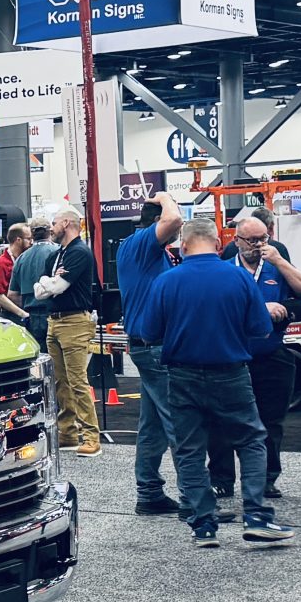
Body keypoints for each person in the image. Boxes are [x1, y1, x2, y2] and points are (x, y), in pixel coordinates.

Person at [131, 223, 295, 548]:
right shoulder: (239, 278)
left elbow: (148, 333)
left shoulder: (166, 281)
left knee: (190, 449)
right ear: (219, 244)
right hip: (232, 373)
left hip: (182, 376)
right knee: (251, 441)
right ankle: (256, 516)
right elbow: (261, 328)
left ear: (183, 245)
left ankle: (203, 526)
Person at [209, 216, 301, 500]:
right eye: (252, 240)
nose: (258, 245)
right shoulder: (224, 270)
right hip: (231, 358)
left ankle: (267, 478)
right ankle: (221, 479)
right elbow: (214, 309)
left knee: (270, 422)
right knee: (222, 423)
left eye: (263, 239)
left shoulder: (276, 266)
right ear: (237, 241)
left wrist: (280, 261)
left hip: (271, 356)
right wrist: (260, 308)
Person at [114, 191, 185, 516]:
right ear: (157, 222)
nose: (177, 231)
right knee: (179, 421)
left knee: (153, 425)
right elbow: (174, 218)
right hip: (154, 348)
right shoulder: (141, 243)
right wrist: (166, 196)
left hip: (150, 346)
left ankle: (150, 493)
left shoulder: (149, 251)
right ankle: (195, 498)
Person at [39, 207, 102, 457]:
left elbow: (57, 287)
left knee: (77, 381)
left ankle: (91, 437)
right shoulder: (58, 255)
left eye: (54, 223)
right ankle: (67, 433)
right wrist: (50, 283)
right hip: (54, 321)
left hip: (74, 321)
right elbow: (40, 290)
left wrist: (50, 284)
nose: (51, 227)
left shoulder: (79, 252)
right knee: (60, 381)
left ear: (66, 223)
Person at [10, 219, 61, 346]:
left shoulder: (21, 259)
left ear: (32, 234)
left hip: (32, 318)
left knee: (39, 354)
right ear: (50, 231)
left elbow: (12, 294)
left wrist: (30, 303)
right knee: (59, 355)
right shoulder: (59, 252)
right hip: (56, 315)